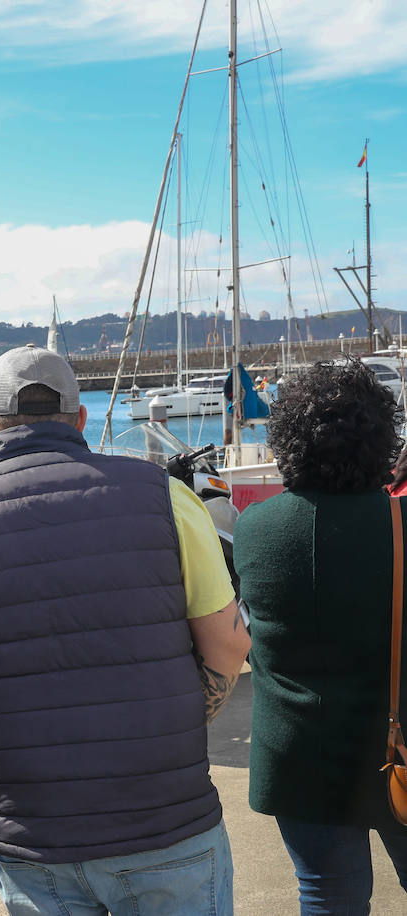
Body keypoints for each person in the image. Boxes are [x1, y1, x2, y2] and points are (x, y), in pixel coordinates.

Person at [0, 344, 249, 915]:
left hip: (30, 829)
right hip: (164, 816)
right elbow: (229, 643)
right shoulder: (164, 496)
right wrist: (181, 721)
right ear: (80, 418)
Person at [235, 358, 407, 914]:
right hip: (397, 742)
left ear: (288, 442)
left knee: (328, 893)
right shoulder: (400, 524)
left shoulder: (255, 529)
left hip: (299, 753)